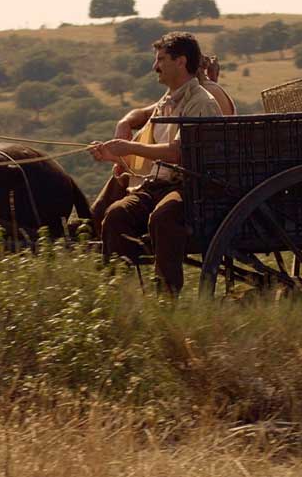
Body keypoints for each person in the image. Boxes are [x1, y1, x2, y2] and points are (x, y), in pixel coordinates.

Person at [88, 32, 221, 294]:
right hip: (155, 185)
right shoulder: (166, 102)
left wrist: (128, 146)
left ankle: (166, 295)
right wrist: (114, 156)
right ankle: (118, 293)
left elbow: (178, 153)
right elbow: (147, 154)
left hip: (192, 189)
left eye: (161, 59)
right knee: (115, 215)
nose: (155, 66)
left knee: (164, 217)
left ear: (181, 62)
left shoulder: (201, 103)